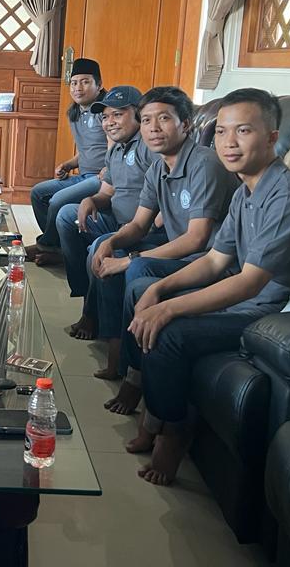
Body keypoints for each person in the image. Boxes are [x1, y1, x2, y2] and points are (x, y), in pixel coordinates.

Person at [117, 88, 290, 486]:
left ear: (272, 137)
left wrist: (168, 308)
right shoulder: (245, 191)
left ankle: (173, 432)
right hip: (255, 300)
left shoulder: (289, 194)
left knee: (170, 332)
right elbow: (215, 261)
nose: (229, 142)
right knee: (145, 293)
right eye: (221, 132)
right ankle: (155, 411)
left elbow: (250, 282)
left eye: (243, 131)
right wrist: (160, 289)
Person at [90, 86, 238, 383]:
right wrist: (112, 241)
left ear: (186, 124)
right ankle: (116, 351)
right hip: (186, 255)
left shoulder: (204, 164)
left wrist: (130, 259)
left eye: (164, 118)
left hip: (212, 262)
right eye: (146, 120)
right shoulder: (158, 168)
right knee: (106, 250)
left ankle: (134, 375)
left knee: (138, 267)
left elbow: (197, 239)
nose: (153, 128)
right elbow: (139, 225)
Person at [50, 85, 159, 340]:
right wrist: (91, 200)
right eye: (106, 116)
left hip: (141, 227)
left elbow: (162, 201)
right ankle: (84, 292)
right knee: (67, 215)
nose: (110, 122)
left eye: (118, 115)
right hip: (115, 219)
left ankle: (93, 315)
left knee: (98, 247)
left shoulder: (149, 146)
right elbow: (106, 193)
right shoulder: (117, 149)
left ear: (139, 115)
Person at [26, 58, 108, 266]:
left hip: (102, 178)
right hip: (83, 175)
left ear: (99, 85)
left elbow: (113, 148)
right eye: (74, 83)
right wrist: (69, 164)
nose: (78, 88)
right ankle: (58, 246)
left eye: (85, 82)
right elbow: (87, 150)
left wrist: (109, 168)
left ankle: (46, 246)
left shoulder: (105, 113)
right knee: (38, 193)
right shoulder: (75, 113)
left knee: (58, 200)